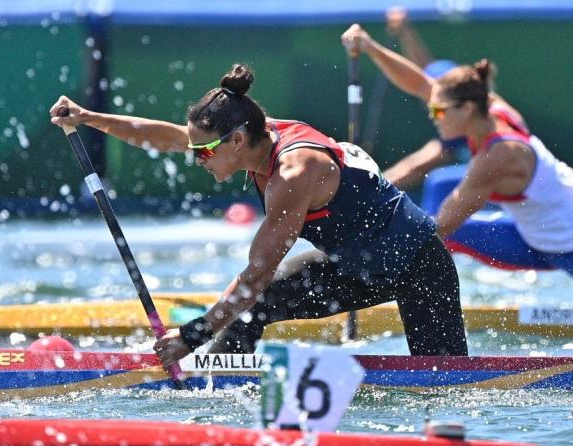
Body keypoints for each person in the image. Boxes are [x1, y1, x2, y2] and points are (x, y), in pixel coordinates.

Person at [50, 64, 468, 368]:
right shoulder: (250, 134)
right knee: (251, 307)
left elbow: (256, 273)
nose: (196, 159)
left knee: (445, 386)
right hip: (354, 265)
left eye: (204, 153)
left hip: (417, 267)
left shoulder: (294, 170)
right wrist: (89, 118)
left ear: (236, 140)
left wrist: (193, 334)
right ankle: (214, 394)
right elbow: (164, 136)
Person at [341, 24, 573, 275]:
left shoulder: (498, 156)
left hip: (565, 248)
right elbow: (419, 84)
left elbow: (442, 224)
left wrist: (361, 240)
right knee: (438, 197)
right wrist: (370, 47)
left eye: (438, 111)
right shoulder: (490, 107)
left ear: (466, 109)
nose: (432, 116)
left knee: (436, 233)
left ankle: (418, 297)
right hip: (534, 234)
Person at [379, 7, 470, 190]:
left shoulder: (469, 132)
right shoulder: (458, 105)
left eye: (438, 109)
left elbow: (414, 168)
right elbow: (422, 65)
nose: (433, 114)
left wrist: (368, 194)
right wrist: (405, 30)